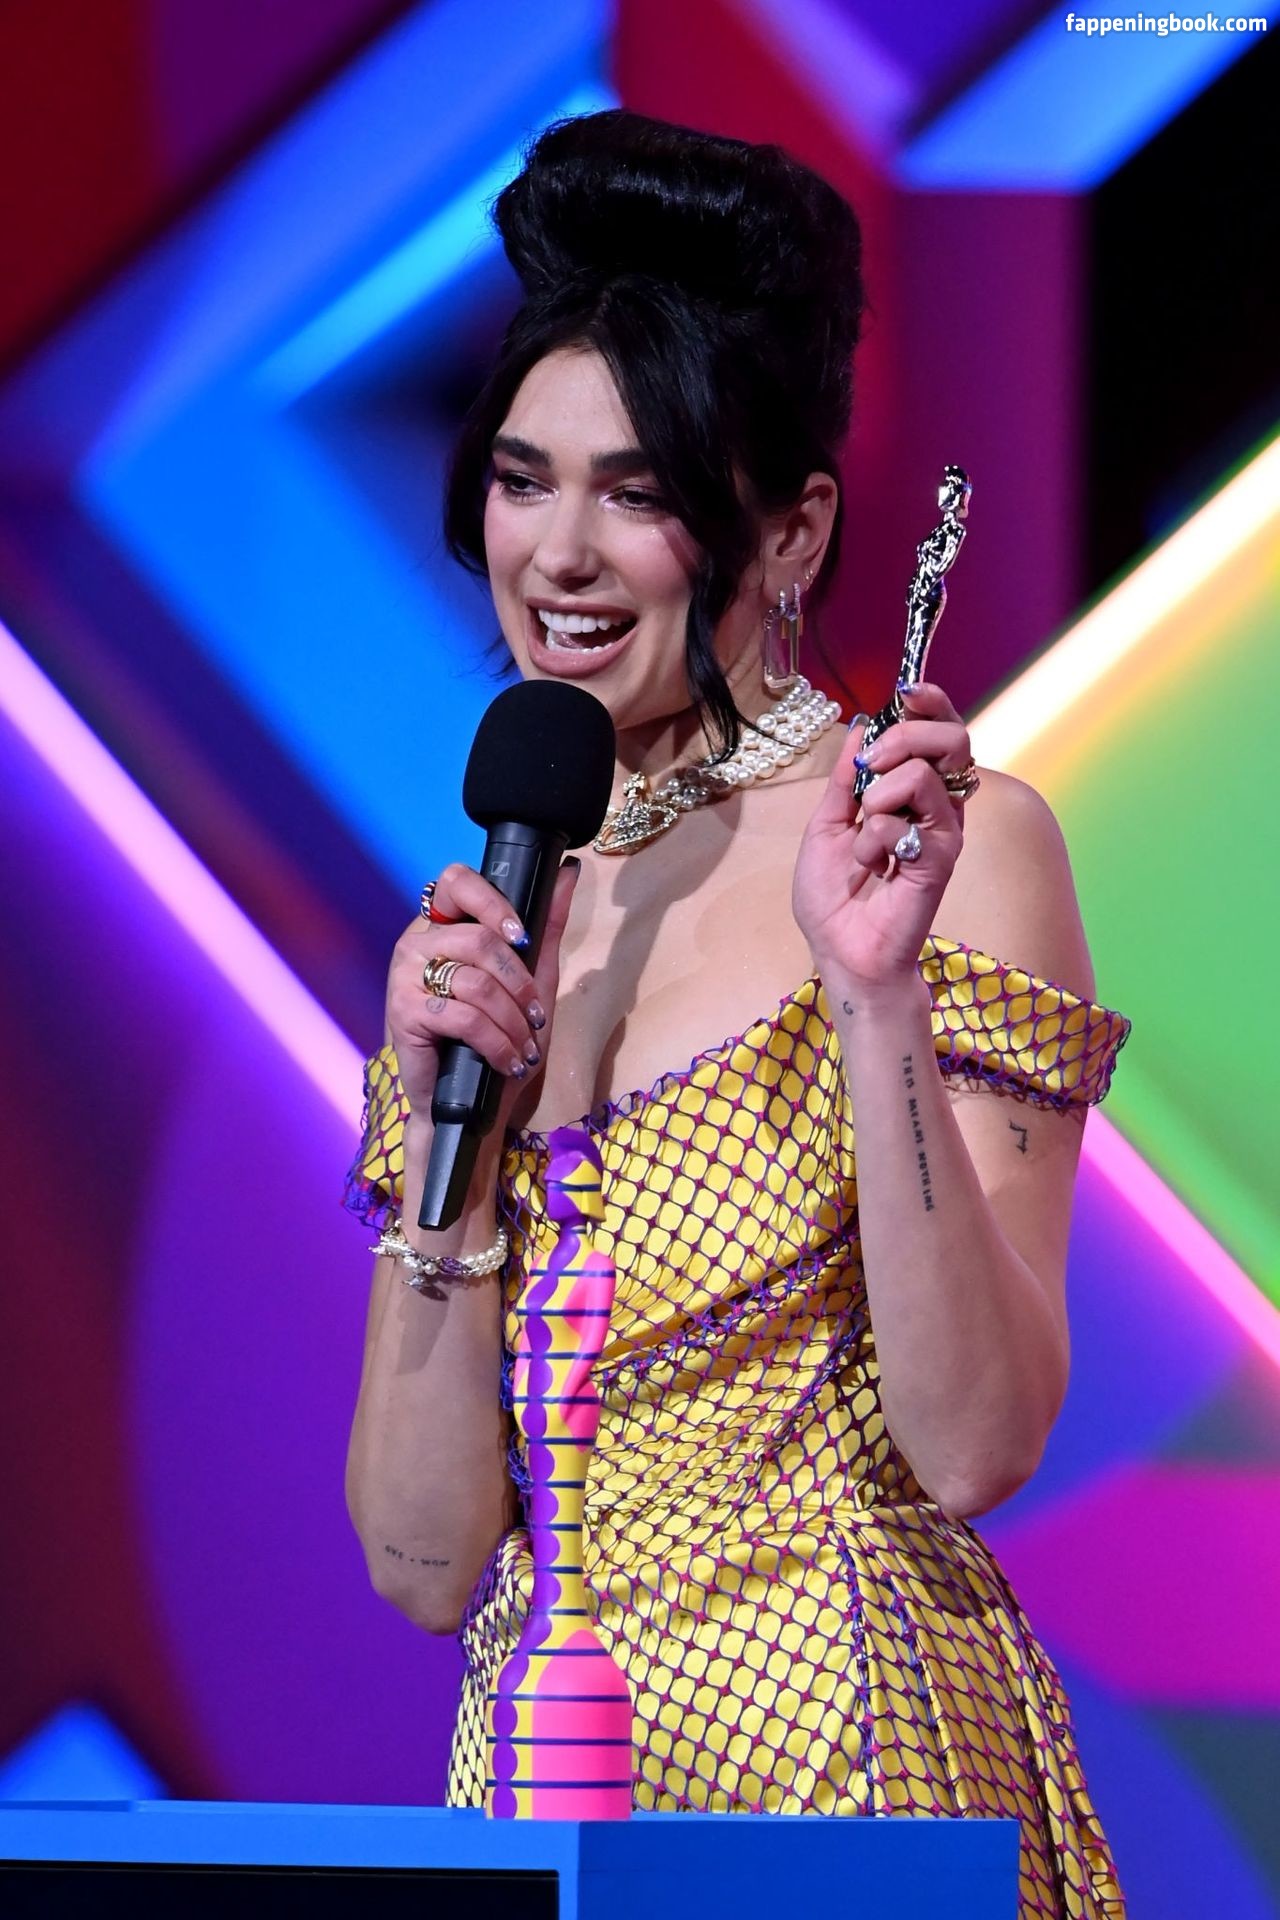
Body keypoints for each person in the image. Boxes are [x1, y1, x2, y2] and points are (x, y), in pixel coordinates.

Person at [343, 110, 1129, 1919]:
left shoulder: (940, 847)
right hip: (544, 1793)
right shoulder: (492, 909)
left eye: (637, 494)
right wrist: (450, 1168)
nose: (559, 554)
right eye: (523, 480)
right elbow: (422, 1564)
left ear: (790, 531)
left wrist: (874, 996)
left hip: (850, 1770)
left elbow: (977, 1446)